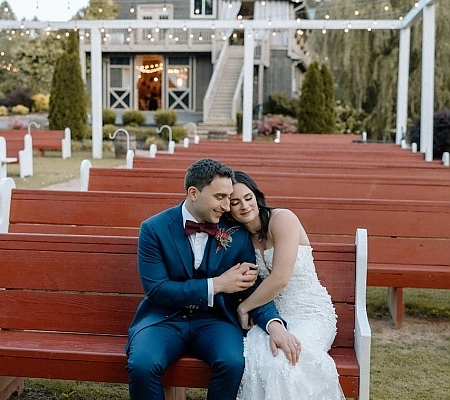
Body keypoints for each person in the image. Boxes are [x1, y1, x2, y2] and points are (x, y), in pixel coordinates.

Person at [125, 158, 301, 400]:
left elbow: (250, 286)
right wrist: (217, 284)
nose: (227, 206)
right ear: (194, 193)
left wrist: (274, 325)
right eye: (220, 197)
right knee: (142, 366)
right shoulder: (154, 229)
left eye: (229, 197)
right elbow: (158, 291)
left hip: (215, 319)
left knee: (232, 362)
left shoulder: (235, 234)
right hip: (164, 318)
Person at [228, 170, 345, 400]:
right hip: (272, 316)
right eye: (235, 202)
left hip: (310, 312)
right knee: (259, 358)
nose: (244, 206)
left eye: (248, 197)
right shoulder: (239, 238)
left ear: (256, 196)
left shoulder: (282, 219)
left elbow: (280, 278)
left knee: (286, 360)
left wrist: (244, 308)